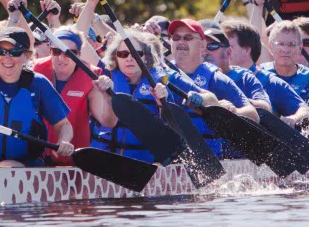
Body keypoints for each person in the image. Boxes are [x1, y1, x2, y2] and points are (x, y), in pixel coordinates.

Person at [92, 28, 223, 162]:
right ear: (115, 57)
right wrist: (107, 98)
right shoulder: (105, 79)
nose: (129, 59)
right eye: (123, 54)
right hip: (110, 160)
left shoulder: (166, 79)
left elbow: (211, 99)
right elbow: (108, 123)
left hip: (151, 165)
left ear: (146, 58)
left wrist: (166, 103)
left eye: (137, 53)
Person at [0, 24, 74, 167]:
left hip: (22, 163)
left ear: (27, 56)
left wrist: (64, 141)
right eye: (1, 51)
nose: (7, 57)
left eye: (15, 52)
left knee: (6, 165)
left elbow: (64, 125)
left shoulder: (39, 83)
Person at [166, 19, 259, 157]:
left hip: (210, 160)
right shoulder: (160, 75)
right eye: (176, 38)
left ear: (203, 45)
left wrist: (232, 111)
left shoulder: (217, 79)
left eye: (188, 37)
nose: (181, 42)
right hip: (170, 163)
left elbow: (253, 115)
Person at [33, 26, 118, 165]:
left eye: (69, 53)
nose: (62, 58)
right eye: (56, 51)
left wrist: (108, 97)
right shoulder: (34, 70)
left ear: (78, 54)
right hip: (37, 158)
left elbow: (108, 122)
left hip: (73, 160)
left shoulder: (91, 77)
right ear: (50, 51)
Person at [220, 20, 309, 127]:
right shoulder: (217, 77)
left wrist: (293, 119)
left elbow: (304, 110)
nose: (222, 51)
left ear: (246, 50)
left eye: (229, 46)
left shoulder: (270, 82)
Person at [260, 21, 309, 112]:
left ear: (300, 48)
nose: (285, 50)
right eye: (280, 44)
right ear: (271, 47)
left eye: (291, 44)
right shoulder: (258, 74)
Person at [201, 26, 273, 113]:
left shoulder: (245, 78)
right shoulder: (196, 74)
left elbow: (266, 107)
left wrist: (238, 103)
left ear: (228, 52)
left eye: (212, 46)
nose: (205, 52)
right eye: (202, 47)